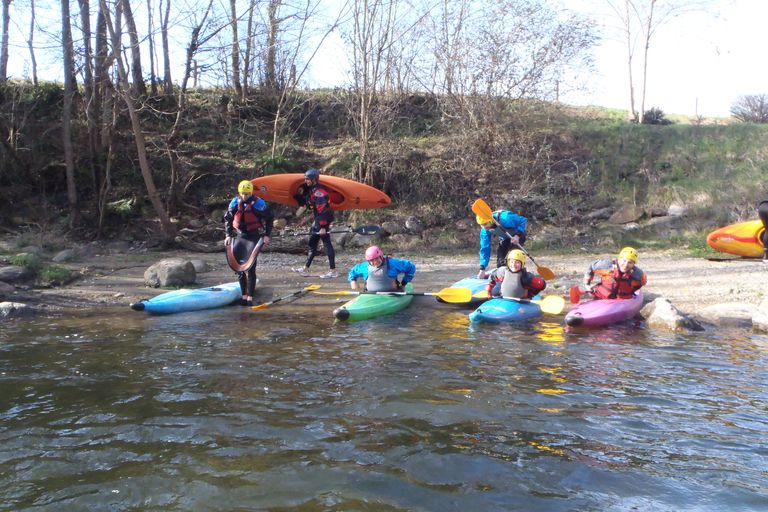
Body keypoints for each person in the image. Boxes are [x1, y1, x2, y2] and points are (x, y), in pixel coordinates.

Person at [224, 180, 273, 306]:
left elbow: (269, 218)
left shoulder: (258, 204)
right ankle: (243, 296)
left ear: (250, 192)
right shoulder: (235, 202)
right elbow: (228, 219)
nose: (244, 196)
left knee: (250, 267)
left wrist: (267, 235)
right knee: (239, 268)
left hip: (254, 237)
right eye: (242, 194)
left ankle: (250, 297)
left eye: (247, 194)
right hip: (240, 236)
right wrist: (228, 235)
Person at [292, 168, 338, 278]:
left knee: (327, 244)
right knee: (312, 243)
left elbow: (323, 209)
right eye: (305, 179)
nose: (306, 181)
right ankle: (305, 268)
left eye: (308, 179)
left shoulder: (319, 192)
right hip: (318, 220)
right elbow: (309, 203)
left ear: (314, 179)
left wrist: (322, 226)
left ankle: (333, 271)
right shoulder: (313, 190)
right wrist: (299, 196)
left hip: (323, 220)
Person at [476, 208, 528, 279]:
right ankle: (503, 279)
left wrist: (517, 235)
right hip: (505, 239)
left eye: (485, 224)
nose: (484, 227)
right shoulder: (484, 230)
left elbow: (523, 220)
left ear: (490, 220)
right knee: (501, 264)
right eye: (481, 225)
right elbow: (485, 248)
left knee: (514, 258)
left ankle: (520, 276)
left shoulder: (506, 218)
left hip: (518, 235)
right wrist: (482, 268)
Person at [582, 246, 647, 300]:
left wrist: (631, 292)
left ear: (634, 264)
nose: (625, 265)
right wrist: (587, 284)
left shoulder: (638, 274)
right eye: (624, 260)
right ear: (619, 259)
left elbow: (641, 284)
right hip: (600, 296)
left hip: (622, 300)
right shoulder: (607, 265)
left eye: (630, 262)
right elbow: (591, 266)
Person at [348, 246, 416, 292]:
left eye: (377, 258)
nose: (375, 262)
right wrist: (353, 281)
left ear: (381, 256)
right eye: (371, 260)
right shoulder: (365, 267)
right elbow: (352, 272)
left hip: (393, 294)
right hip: (370, 295)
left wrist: (404, 283)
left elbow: (411, 267)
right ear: (368, 261)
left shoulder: (392, 263)